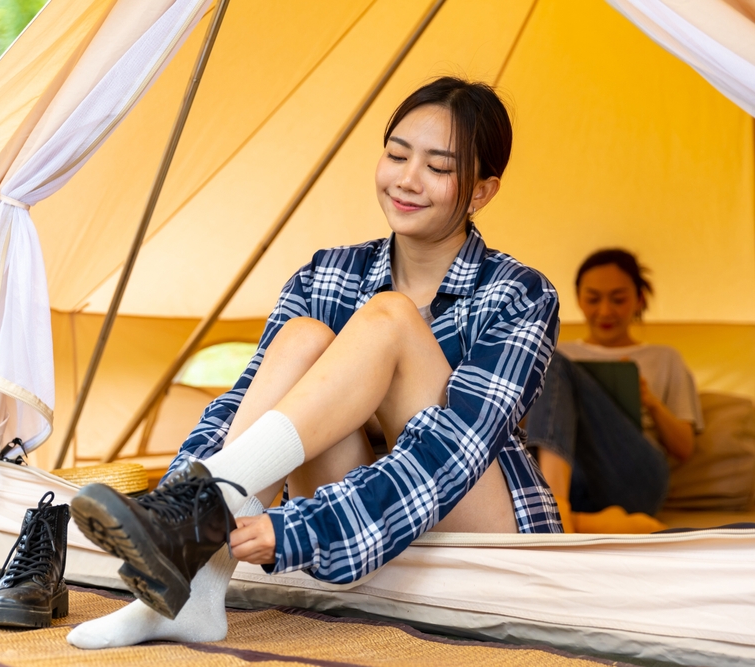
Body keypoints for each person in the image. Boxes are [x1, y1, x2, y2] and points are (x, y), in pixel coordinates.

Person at [66, 76, 563, 650]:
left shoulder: (519, 293)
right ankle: (191, 584)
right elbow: (244, 400)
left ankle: (196, 518)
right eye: (397, 154)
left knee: (392, 318)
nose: (406, 179)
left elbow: (454, 453)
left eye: (438, 167)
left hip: (474, 529)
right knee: (303, 338)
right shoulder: (327, 274)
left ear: (479, 192)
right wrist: (178, 486)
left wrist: (305, 530)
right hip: (355, 507)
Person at [526, 249, 702, 533]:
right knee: (547, 358)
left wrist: (651, 402)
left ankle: (551, 513)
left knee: (552, 361)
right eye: (593, 299)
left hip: (635, 477)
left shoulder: (665, 358)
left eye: (618, 299)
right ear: (579, 300)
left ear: (639, 299)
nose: (605, 311)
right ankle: (581, 521)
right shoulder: (560, 353)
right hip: (573, 478)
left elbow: (684, 448)